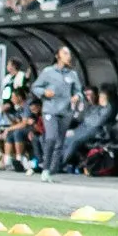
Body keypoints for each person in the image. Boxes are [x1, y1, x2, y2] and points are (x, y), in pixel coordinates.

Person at [32, 47, 81, 182]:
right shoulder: (48, 72)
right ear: (58, 56)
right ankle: (45, 168)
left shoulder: (72, 74)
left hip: (65, 111)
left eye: (69, 54)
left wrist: (77, 96)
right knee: (51, 137)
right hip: (50, 110)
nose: (68, 56)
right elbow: (35, 87)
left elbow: (79, 91)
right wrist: (44, 93)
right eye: (65, 53)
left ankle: (52, 170)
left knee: (60, 142)